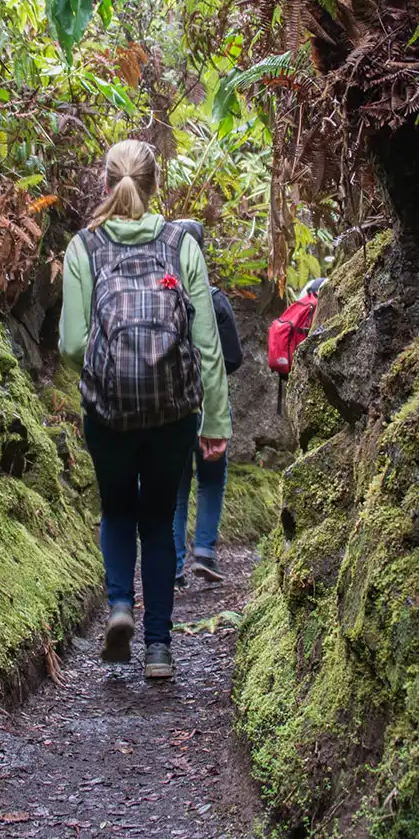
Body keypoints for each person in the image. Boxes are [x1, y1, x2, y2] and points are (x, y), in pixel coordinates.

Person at [59, 140, 231, 681]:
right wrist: (216, 423)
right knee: (157, 520)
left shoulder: (83, 247)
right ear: (157, 186)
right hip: (173, 414)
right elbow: (207, 345)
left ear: (106, 185)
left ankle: (118, 607)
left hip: (108, 413)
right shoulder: (182, 244)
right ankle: (159, 650)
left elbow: (69, 344)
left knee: (116, 508)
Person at [172, 220, 243, 587]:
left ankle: (173, 564)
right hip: (208, 401)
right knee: (211, 479)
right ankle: (204, 552)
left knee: (177, 484)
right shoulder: (214, 299)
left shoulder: (160, 293)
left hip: (171, 404)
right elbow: (233, 357)